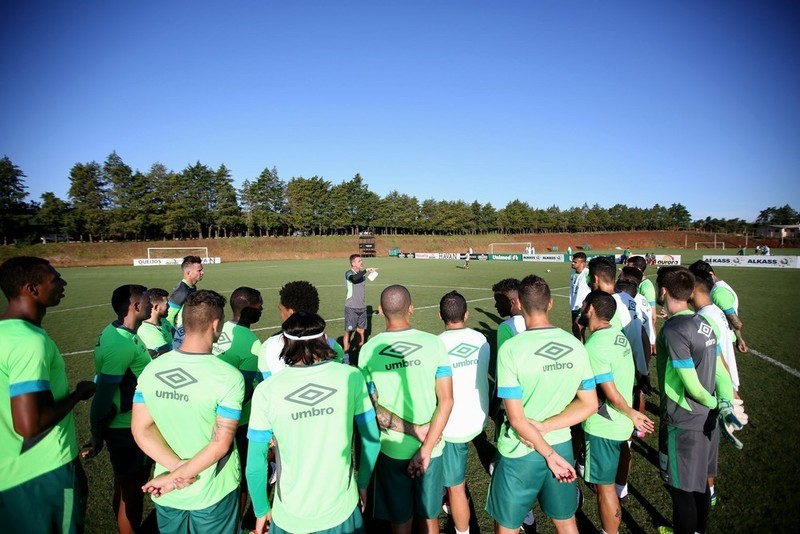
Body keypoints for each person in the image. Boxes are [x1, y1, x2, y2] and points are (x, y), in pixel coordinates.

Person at [246, 311, 381, 533]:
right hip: (342, 511)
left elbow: (255, 463)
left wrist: (261, 510)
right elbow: (372, 441)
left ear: (286, 343)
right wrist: (363, 484)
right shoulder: (352, 376)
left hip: (289, 517)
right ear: (324, 338)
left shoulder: (266, 390)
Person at [486, 275, 597, 534]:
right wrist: (547, 427)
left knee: (508, 525)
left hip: (519, 449)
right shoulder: (575, 345)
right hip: (561, 444)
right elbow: (589, 404)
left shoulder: (511, 349)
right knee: (566, 521)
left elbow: (516, 420)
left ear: (520, 306)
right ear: (551, 304)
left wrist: (546, 450)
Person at [132, 290, 244, 534]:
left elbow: (141, 429)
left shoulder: (152, 370)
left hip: (168, 490)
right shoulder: (228, 377)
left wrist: (175, 469)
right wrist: (179, 476)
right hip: (213, 492)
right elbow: (219, 444)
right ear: (216, 324)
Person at [0, 256, 95, 532]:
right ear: (31, 289)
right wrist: (79, 393)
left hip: (9, 472)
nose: (63, 284)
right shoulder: (29, 341)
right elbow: (30, 424)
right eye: (55, 279)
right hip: (44, 470)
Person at [358, 284, 454, 534]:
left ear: (380, 311)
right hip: (432, 449)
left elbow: (371, 408)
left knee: (400, 521)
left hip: (392, 449)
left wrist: (415, 433)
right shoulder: (434, 344)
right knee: (430, 518)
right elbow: (447, 401)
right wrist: (426, 447)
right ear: (411, 308)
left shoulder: (368, 350)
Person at [580, 290, 655, 534]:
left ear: (590, 309)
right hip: (620, 423)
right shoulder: (617, 334)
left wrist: (632, 413)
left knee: (605, 488)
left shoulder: (594, 346)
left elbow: (610, 392)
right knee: (610, 484)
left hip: (605, 425)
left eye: (584, 303)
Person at [83, 284, 154, 534]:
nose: (151, 305)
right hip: (126, 429)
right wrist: (97, 434)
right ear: (134, 306)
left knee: (126, 488)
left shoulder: (122, 334)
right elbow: (102, 395)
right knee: (131, 492)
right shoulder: (120, 344)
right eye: (147, 301)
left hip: (128, 426)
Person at [655, 267, 720, 534]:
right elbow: (722, 372)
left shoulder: (674, 330)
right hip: (705, 420)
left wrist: (714, 403)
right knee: (700, 484)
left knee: (681, 490)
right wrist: (720, 403)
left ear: (663, 291)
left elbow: (691, 386)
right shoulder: (703, 322)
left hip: (684, 420)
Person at [211, 286, 264, 530]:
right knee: (239, 477)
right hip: (237, 422)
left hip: (206, 414)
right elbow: (242, 391)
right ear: (248, 309)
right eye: (259, 305)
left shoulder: (217, 329)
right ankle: (236, 526)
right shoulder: (252, 342)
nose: (262, 308)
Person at [438, 291, 490, 534]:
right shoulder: (481, 339)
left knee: (456, 488)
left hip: (451, 425)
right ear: (466, 314)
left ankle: (462, 531)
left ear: (440, 316)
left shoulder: (436, 344)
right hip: (479, 418)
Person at [260, 280, 346, 379]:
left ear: (291, 313)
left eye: (281, 310)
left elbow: (264, 381)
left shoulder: (269, 346)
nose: (281, 314)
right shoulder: (333, 345)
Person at [689, 261, 746, 397]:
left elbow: (736, 322)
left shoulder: (718, 293)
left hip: (719, 338)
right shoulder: (722, 287)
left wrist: (739, 337)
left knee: (722, 383)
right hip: (723, 335)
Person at [167, 255, 204, 349]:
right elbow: (169, 317)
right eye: (199, 270)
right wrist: (176, 338)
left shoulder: (192, 287)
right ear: (188, 273)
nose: (202, 273)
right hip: (182, 338)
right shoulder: (182, 291)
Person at [343, 253, 377, 355]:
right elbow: (354, 278)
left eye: (361, 260)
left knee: (361, 332)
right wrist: (366, 271)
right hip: (351, 307)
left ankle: (360, 354)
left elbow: (360, 277)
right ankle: (346, 355)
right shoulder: (348, 273)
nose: (361, 262)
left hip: (362, 307)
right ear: (353, 263)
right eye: (359, 261)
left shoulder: (362, 275)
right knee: (348, 332)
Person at [627, 255, 657, 350]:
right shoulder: (634, 283)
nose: (627, 270)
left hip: (642, 333)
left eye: (629, 267)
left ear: (638, 269)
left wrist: (651, 340)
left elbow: (652, 317)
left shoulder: (646, 287)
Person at [137, 287, 173, 358]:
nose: (169, 306)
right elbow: (168, 354)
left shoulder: (163, 321)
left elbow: (176, 334)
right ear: (156, 307)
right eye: (166, 304)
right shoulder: (147, 331)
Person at [569, 252, 591, 339]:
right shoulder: (573, 272)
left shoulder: (587, 274)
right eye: (572, 261)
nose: (572, 263)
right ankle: (583, 346)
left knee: (576, 327)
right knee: (578, 331)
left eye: (575, 262)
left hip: (582, 306)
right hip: (574, 305)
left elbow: (594, 287)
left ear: (582, 263)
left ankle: (581, 347)